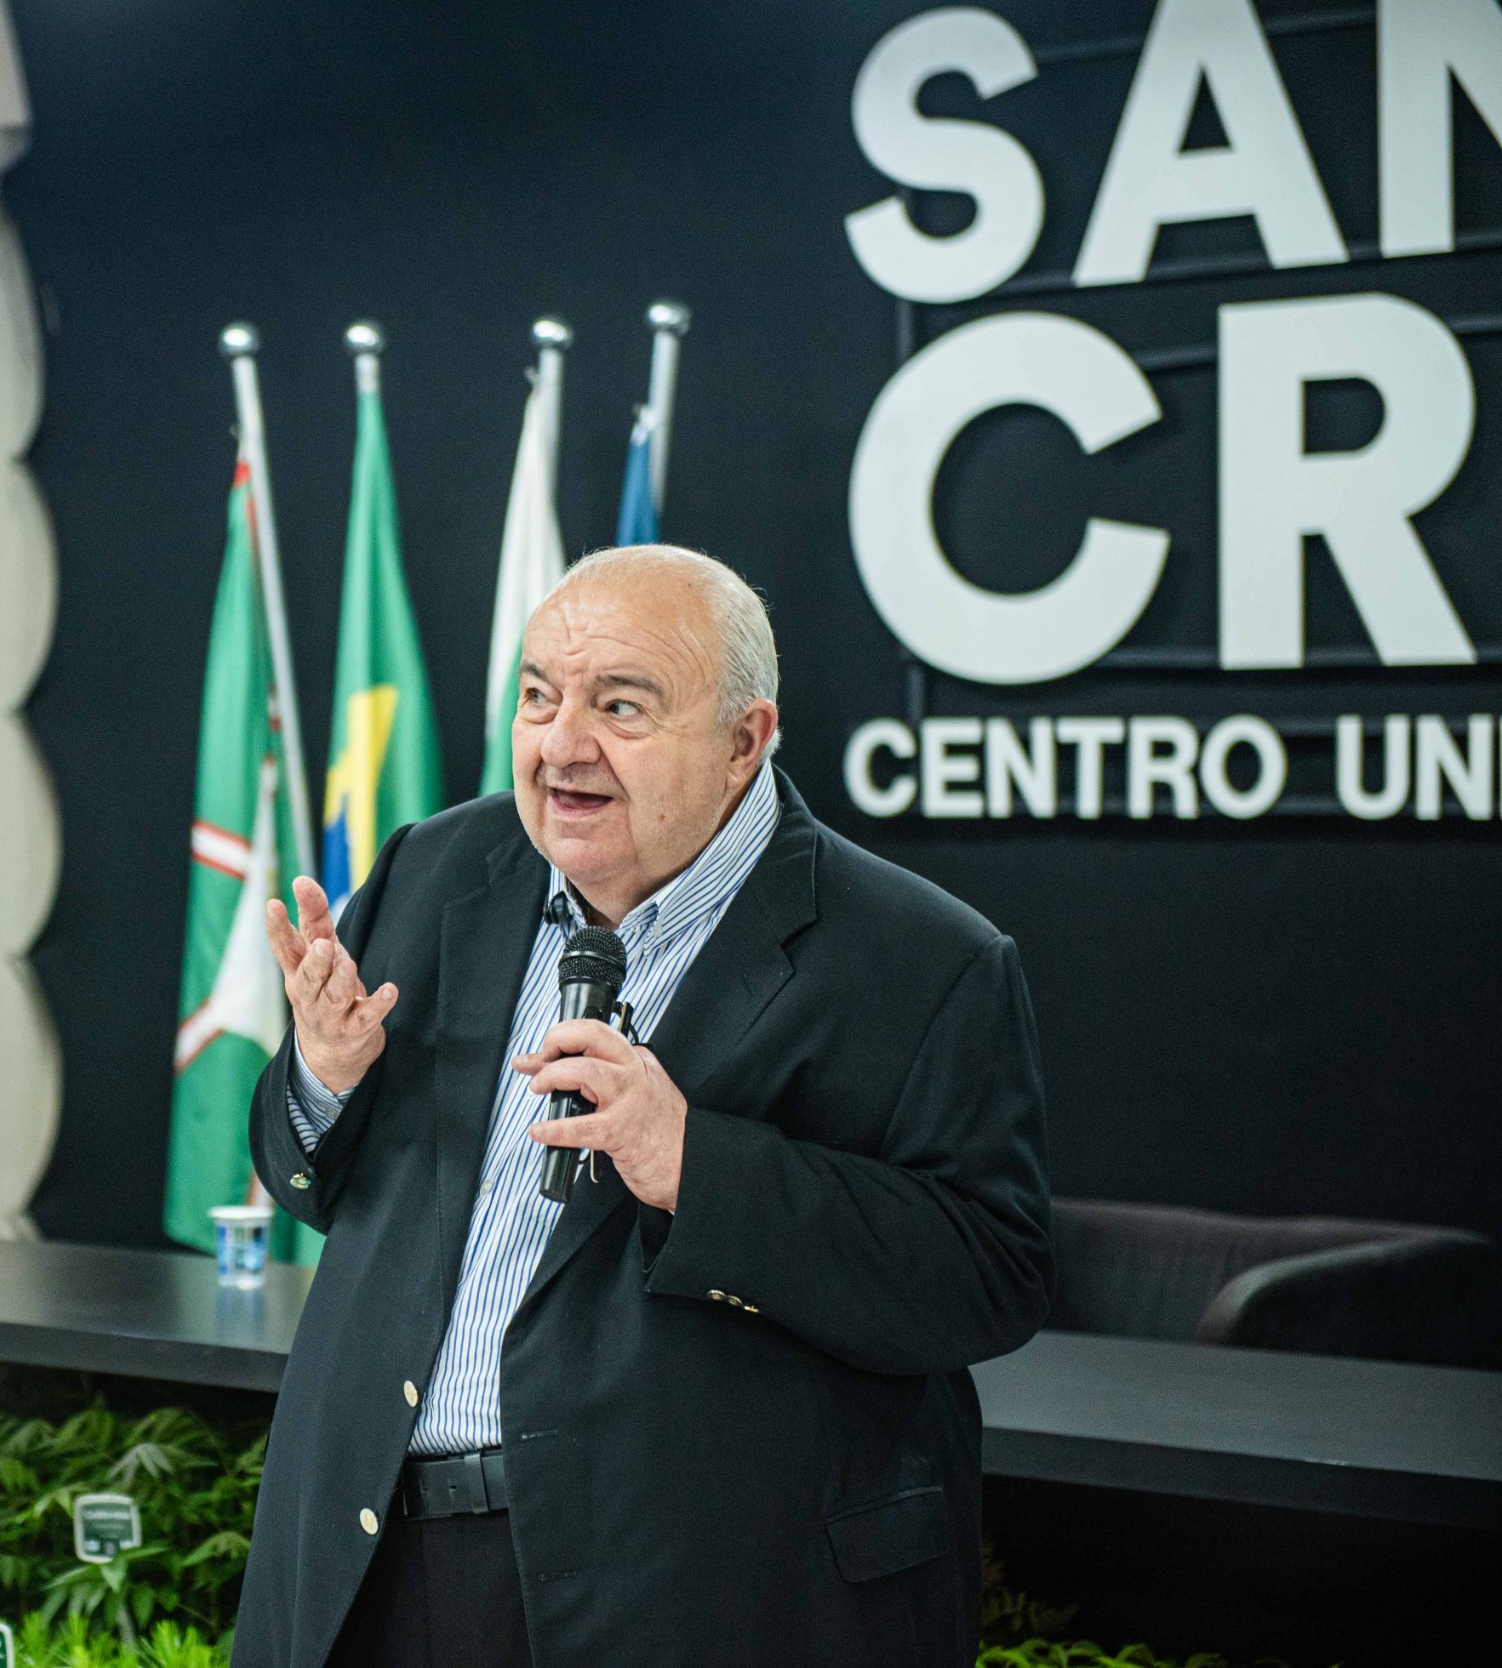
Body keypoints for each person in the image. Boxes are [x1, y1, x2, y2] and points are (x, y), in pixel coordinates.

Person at [240, 544, 1051, 1667]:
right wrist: (322, 1076)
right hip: (375, 1569)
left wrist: (696, 1167)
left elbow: (989, 1277)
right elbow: (313, 1178)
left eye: (619, 705)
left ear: (742, 742)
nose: (560, 745)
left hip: (694, 1595)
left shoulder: (924, 960)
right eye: (537, 697)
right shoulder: (439, 869)